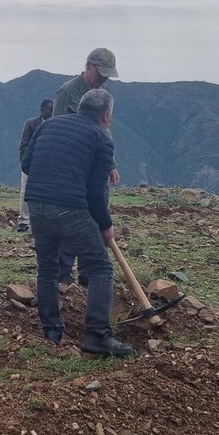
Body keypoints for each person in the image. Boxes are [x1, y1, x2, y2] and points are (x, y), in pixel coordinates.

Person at [22, 89, 132, 356]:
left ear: (79, 107)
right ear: (106, 115)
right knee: (99, 268)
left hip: (36, 205)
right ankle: (98, 334)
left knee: (47, 268)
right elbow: (95, 193)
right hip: (70, 209)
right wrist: (105, 226)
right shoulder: (102, 138)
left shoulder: (48, 125)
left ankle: (51, 330)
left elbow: (27, 164)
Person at [51, 47, 120, 291]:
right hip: (73, 169)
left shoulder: (104, 92)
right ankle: (62, 274)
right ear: (88, 66)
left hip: (96, 166)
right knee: (70, 217)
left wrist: (110, 163)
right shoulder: (68, 91)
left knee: (97, 213)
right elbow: (56, 129)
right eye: (100, 73)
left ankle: (90, 273)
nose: (103, 79)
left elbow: (106, 128)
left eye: (107, 75)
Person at [16, 99, 53, 233]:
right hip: (30, 165)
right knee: (25, 192)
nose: (52, 112)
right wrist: (25, 164)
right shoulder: (31, 123)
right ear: (42, 110)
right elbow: (23, 145)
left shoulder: (55, 124)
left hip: (48, 166)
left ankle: (45, 220)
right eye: (50, 110)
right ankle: (24, 221)